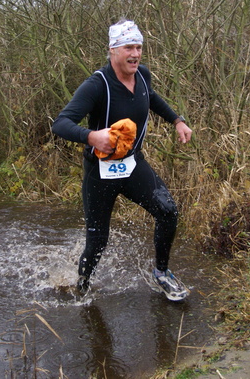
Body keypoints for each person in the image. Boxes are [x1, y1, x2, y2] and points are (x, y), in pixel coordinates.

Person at [51, 19, 193, 301]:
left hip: (132, 164)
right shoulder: (97, 85)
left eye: (139, 47)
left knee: (168, 211)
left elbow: (151, 98)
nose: (136, 53)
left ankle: (162, 273)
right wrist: (91, 136)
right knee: (97, 242)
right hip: (100, 172)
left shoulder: (142, 75)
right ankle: (82, 287)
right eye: (129, 47)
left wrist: (177, 120)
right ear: (113, 50)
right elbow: (61, 123)